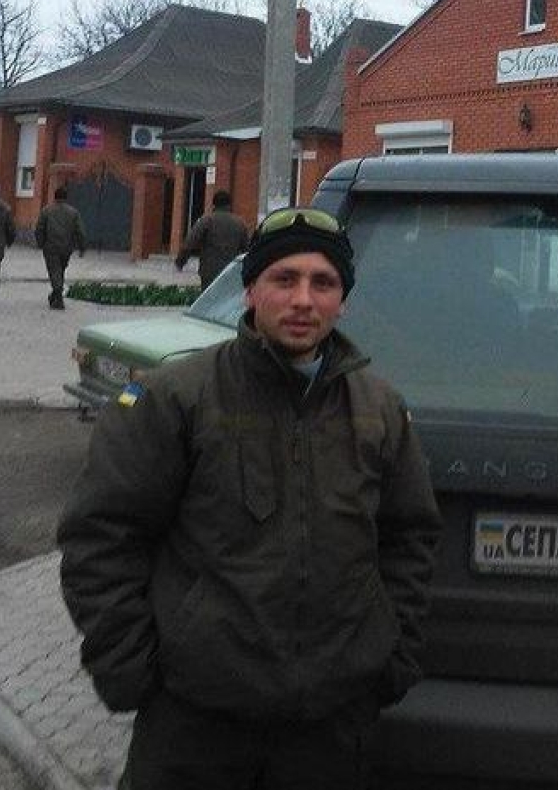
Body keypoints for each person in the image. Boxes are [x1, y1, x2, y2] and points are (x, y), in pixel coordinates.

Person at [57, 206, 442, 790]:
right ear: (250, 290)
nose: (303, 300)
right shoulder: (177, 398)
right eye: (284, 279)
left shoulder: (378, 410)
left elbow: (410, 539)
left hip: (331, 730)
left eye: (323, 283)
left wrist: (391, 656)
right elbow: (102, 536)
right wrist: (129, 669)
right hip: (194, 725)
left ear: (343, 300)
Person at [175, 189, 250, 289]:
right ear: (230, 205)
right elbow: (247, 250)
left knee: (209, 297)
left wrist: (180, 261)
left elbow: (190, 243)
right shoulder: (240, 223)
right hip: (230, 271)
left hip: (209, 271)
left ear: (214, 205)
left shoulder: (206, 221)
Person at [34, 186, 87, 310]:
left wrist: (40, 243)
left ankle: (58, 296)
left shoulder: (46, 211)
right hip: (66, 248)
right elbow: (80, 231)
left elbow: (39, 228)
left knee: (54, 271)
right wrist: (82, 247)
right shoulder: (73, 212)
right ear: (66, 197)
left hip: (51, 247)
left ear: (55, 197)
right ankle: (55, 294)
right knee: (60, 270)